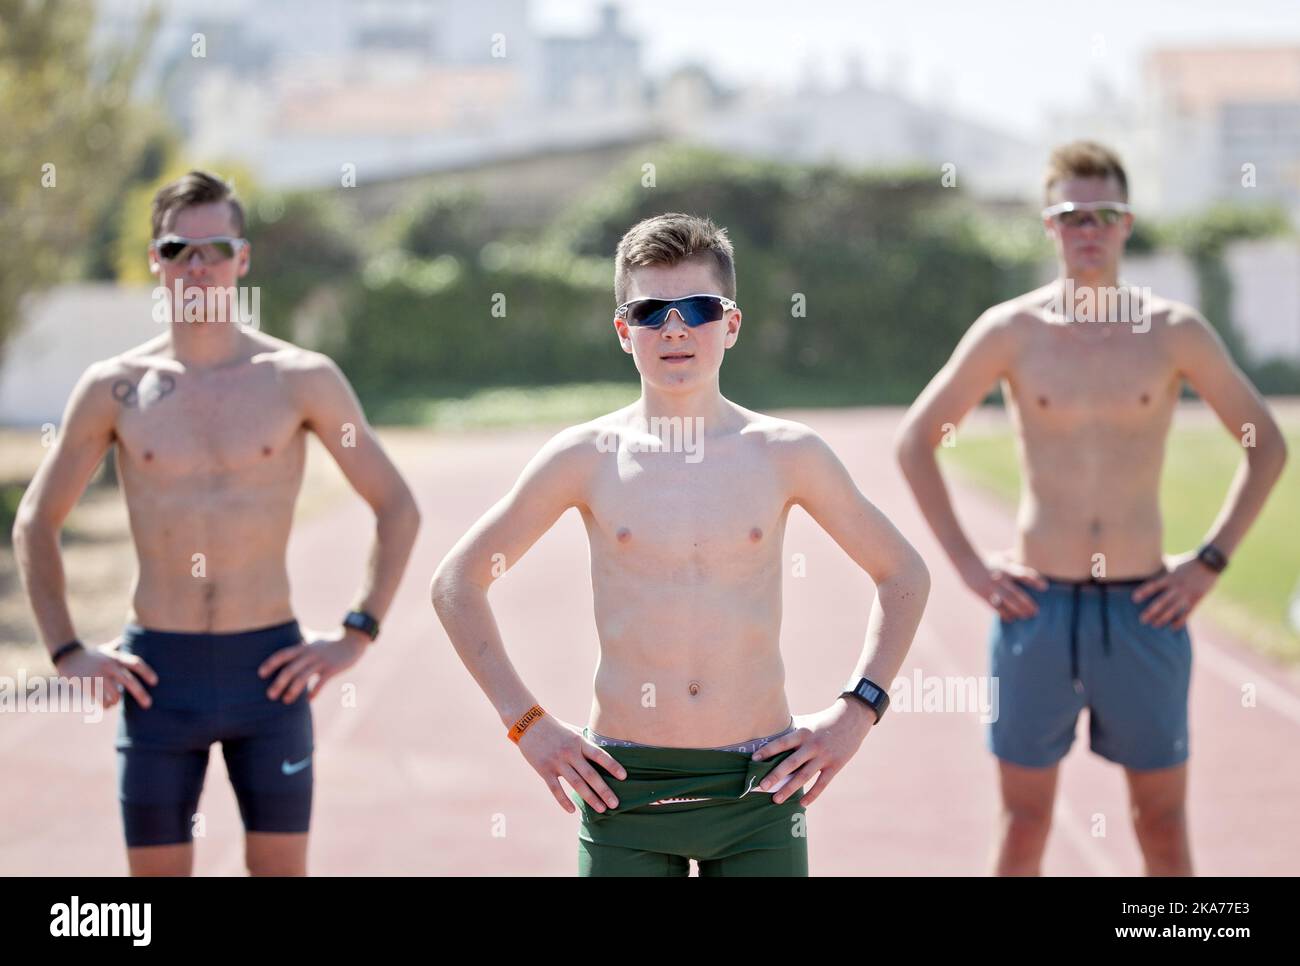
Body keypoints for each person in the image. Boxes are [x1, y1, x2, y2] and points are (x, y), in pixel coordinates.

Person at [432, 212, 929, 876]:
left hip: (760, 785)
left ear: (730, 323)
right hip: (623, 786)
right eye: (650, 310)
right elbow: (456, 584)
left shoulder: (788, 454)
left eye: (696, 308)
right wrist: (528, 725)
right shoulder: (585, 457)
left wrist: (857, 710)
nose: (673, 328)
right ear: (622, 330)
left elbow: (903, 575)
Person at [895, 141, 1288, 876]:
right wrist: (971, 570)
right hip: (1037, 609)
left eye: (1104, 214)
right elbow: (917, 442)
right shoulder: (1012, 332)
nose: (1089, 229)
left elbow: (1265, 444)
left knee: (1162, 823)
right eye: (1073, 214)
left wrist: (1209, 563)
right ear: (1050, 224)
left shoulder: (1173, 332)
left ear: (1127, 223)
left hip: (1146, 607)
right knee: (1024, 821)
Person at [12, 171, 421, 876]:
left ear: (242, 259)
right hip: (157, 679)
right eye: (178, 250)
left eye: (214, 249)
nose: (196, 266)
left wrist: (359, 631)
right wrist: (66, 651)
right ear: (155, 261)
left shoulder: (300, 379)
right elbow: (36, 521)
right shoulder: (113, 387)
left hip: (269, 677)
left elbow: (396, 506)